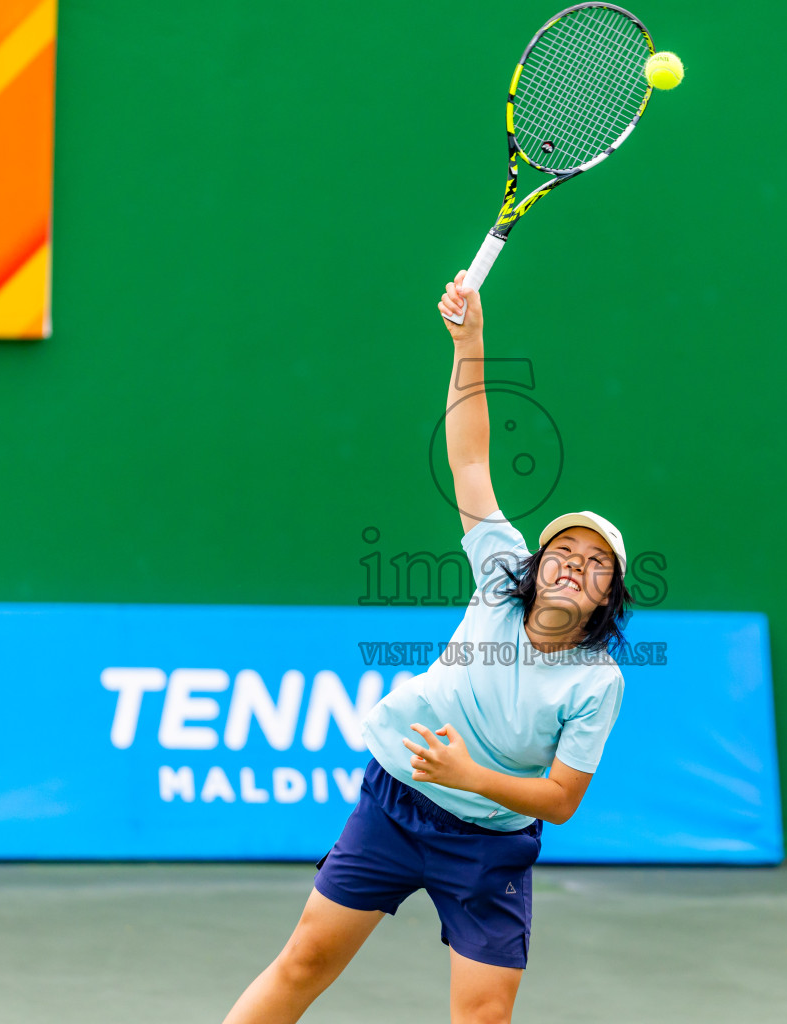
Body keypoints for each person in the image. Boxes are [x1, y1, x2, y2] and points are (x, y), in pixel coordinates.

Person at [220, 274, 631, 1024]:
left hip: (488, 844)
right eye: (564, 550)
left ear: (608, 598)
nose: (576, 562)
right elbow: (470, 461)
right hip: (397, 804)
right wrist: (470, 342)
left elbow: (562, 801)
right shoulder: (499, 574)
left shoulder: (597, 680)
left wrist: (470, 775)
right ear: (537, 568)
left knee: (483, 1017)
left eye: (596, 562)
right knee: (305, 960)